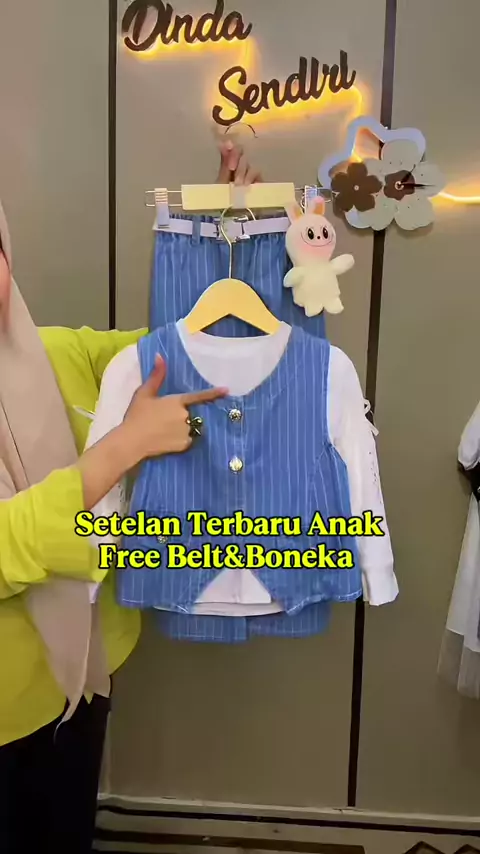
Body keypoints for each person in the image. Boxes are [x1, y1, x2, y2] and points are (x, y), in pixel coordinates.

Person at [0, 139, 260, 854]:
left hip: (82, 677)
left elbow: (179, 354)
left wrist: (216, 236)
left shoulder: (54, 352)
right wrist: (122, 448)